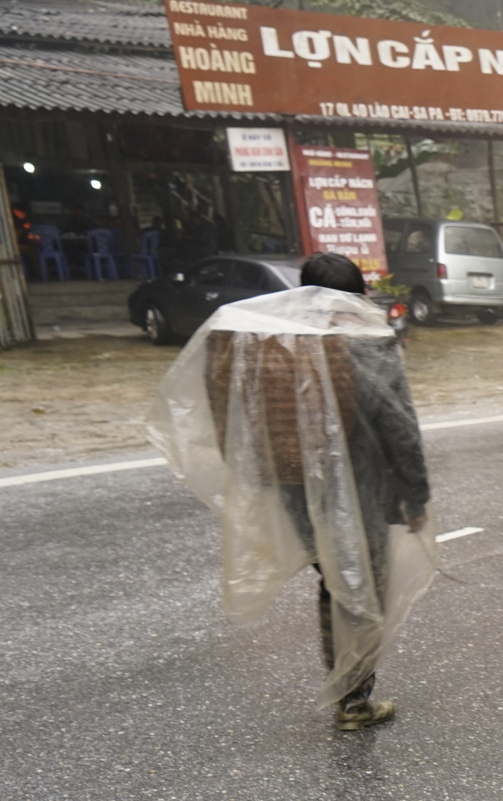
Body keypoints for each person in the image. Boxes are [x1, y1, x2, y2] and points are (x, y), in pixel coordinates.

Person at [147, 251, 437, 730]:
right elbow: (398, 426)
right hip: (358, 489)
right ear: (359, 292)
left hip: (290, 485)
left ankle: (349, 690)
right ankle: (354, 701)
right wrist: (415, 497)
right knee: (360, 588)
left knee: (334, 580)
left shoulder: (269, 341)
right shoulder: (365, 341)